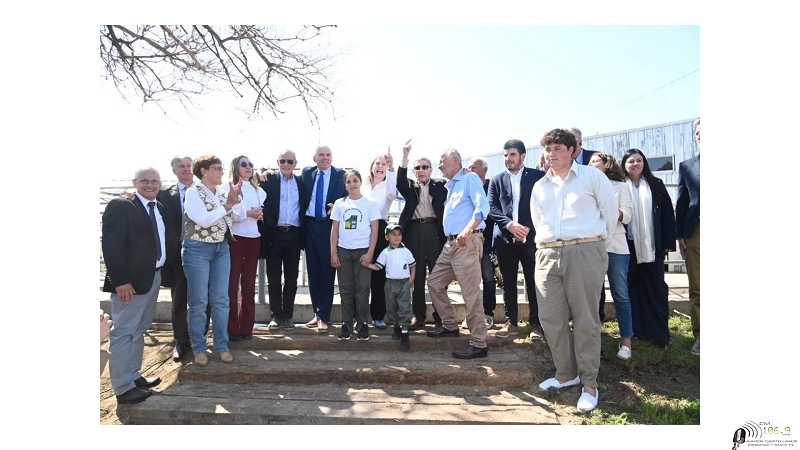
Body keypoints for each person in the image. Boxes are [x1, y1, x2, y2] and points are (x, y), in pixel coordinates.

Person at [530, 129, 617, 413]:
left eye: (557, 148)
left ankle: (589, 383)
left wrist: (595, 246)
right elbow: (538, 219)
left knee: (585, 319)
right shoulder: (540, 186)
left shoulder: (593, 177)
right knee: (551, 318)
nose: (551, 153)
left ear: (572, 151)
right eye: (548, 149)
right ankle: (566, 374)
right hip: (547, 253)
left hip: (584, 250)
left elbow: (610, 213)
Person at [102, 167, 167, 404]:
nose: (150, 185)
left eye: (154, 181)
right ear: (135, 182)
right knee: (124, 332)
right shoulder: (121, 206)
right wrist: (120, 281)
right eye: (145, 181)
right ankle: (122, 388)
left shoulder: (158, 206)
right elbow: (111, 245)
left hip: (153, 277)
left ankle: (133, 375)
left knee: (138, 330)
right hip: (129, 283)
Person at [425, 149, 491, 360]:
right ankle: (450, 325)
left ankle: (479, 343)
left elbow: (483, 208)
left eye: (442, 161)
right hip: (450, 244)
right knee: (435, 282)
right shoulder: (451, 186)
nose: (440, 165)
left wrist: (468, 230)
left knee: (470, 293)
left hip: (466, 242)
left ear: (455, 161)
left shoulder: (470, 178)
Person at [183, 155, 241, 366]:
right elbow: (203, 220)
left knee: (221, 300)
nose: (221, 171)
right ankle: (199, 347)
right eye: (216, 168)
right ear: (204, 171)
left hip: (221, 248)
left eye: (221, 167)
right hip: (198, 249)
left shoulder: (222, 193)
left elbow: (237, 216)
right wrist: (227, 206)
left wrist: (236, 202)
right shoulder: (192, 192)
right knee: (199, 302)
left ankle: (221, 345)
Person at [487, 140, 546, 337]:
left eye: (512, 155)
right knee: (508, 282)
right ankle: (511, 322)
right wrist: (510, 225)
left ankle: (536, 324)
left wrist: (527, 228)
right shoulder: (497, 180)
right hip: (505, 240)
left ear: (522, 156)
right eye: (505, 155)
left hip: (531, 239)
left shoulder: (538, 177)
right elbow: (492, 208)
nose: (508, 159)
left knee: (533, 281)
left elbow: (544, 205)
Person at [622, 148, 677, 349]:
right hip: (628, 249)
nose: (635, 164)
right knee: (633, 290)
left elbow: (667, 217)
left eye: (638, 160)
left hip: (654, 247)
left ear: (644, 163)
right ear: (624, 165)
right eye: (630, 161)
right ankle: (636, 330)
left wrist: (668, 244)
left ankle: (659, 334)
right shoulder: (620, 186)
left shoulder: (656, 185)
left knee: (656, 290)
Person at [158, 156, 209, 361]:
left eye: (189, 166)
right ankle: (181, 341)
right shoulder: (164, 195)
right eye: (182, 166)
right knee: (179, 299)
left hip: (203, 253)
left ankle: (200, 339)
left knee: (203, 299)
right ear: (174, 170)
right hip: (177, 255)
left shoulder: (205, 191)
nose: (186, 169)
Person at [396, 142, 448, 329]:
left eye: (425, 167)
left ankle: (441, 317)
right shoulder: (410, 187)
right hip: (414, 232)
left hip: (434, 231)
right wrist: (404, 157)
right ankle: (419, 317)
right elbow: (400, 181)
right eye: (417, 168)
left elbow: (454, 181)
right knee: (416, 276)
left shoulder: (440, 185)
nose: (421, 170)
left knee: (437, 276)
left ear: (431, 170)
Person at [589, 152, 634, 360]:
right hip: (591, 246)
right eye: (589, 162)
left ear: (607, 164)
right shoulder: (584, 187)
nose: (591, 164)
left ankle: (626, 341)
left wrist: (612, 211)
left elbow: (628, 216)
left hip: (616, 246)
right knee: (592, 296)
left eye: (595, 161)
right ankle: (592, 339)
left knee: (621, 294)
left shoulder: (621, 186)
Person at [330, 169, 380, 341]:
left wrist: (370, 253)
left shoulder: (370, 203)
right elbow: (334, 230)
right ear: (345, 185)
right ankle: (346, 324)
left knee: (363, 289)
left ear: (360, 182)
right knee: (345, 289)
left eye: (355, 180)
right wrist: (333, 253)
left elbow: (375, 230)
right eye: (349, 181)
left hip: (363, 251)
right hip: (344, 251)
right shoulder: (339, 204)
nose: (352, 184)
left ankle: (363, 324)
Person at [301, 146, 347, 332]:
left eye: (328, 155)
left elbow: (348, 196)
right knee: (312, 272)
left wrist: (336, 205)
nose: (325, 158)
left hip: (329, 227)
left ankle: (324, 316)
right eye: (321, 155)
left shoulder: (340, 175)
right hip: (309, 226)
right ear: (314, 158)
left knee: (327, 272)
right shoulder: (306, 173)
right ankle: (316, 313)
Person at [259, 150, 305, 330]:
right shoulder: (269, 180)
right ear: (277, 162)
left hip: (294, 235)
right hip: (274, 234)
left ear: (295, 163)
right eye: (283, 161)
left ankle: (288, 315)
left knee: (292, 278)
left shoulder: (301, 182)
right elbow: (252, 182)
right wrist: (261, 171)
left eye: (290, 161)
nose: (286, 164)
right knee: (274, 277)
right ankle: (276, 315)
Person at [222, 155, 266, 341]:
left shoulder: (259, 191)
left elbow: (257, 212)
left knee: (249, 285)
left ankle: (247, 328)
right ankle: (231, 329)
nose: (248, 167)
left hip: (254, 239)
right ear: (236, 167)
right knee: (231, 285)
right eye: (244, 164)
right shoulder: (227, 187)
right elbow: (230, 214)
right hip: (235, 239)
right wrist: (247, 213)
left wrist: (256, 214)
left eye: (250, 164)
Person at [363, 147, 398, 329]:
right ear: (371, 166)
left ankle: (378, 316)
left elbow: (393, 191)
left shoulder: (388, 185)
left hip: (380, 228)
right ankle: (358, 317)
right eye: (377, 163)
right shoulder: (363, 185)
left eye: (384, 164)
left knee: (378, 275)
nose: (380, 166)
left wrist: (392, 167)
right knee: (360, 276)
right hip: (361, 231)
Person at [367, 224, 416, 351]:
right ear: (387, 237)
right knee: (391, 307)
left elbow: (412, 265)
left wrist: (411, 279)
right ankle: (397, 327)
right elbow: (378, 266)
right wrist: (367, 265)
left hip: (404, 283)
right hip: (390, 283)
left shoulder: (406, 251)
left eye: (399, 234)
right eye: (393, 234)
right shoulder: (385, 252)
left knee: (404, 307)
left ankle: (405, 334)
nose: (397, 237)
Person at [676, 118, 701, 356]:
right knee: (698, 285)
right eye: (698, 132)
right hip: (697, 231)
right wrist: (681, 236)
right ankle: (701, 336)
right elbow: (682, 202)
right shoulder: (687, 166)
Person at [465, 157, 496, 330]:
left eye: (473, 167)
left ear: (484, 170)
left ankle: (488, 313)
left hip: (488, 241)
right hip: (470, 239)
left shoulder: (492, 186)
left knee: (488, 278)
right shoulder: (465, 186)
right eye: (468, 168)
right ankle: (472, 316)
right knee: (470, 280)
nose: (470, 171)